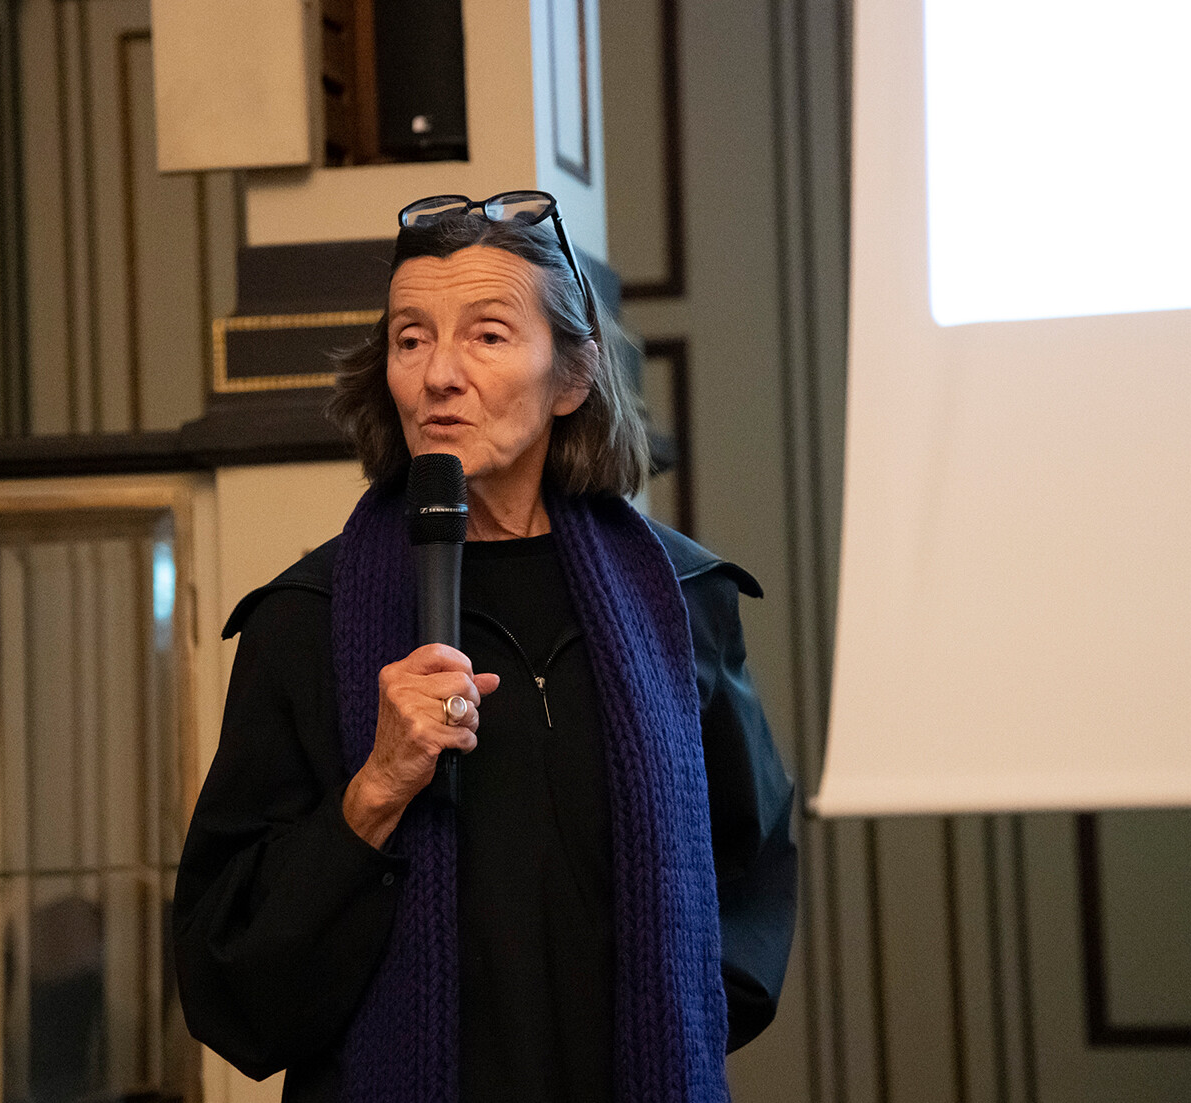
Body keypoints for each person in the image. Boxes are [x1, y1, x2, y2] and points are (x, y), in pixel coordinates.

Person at [173, 191, 798, 1103]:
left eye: (489, 336)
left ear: (572, 376)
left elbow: (751, 882)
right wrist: (375, 790)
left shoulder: (682, 602)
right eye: (411, 337)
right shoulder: (306, 618)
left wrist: (670, 1026)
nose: (438, 375)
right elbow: (227, 980)